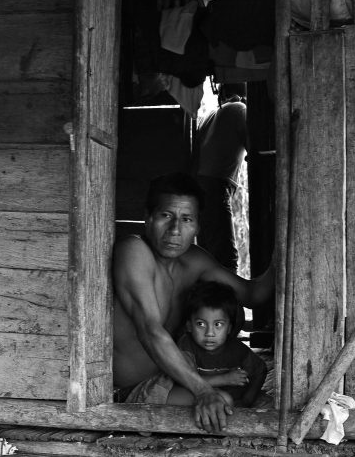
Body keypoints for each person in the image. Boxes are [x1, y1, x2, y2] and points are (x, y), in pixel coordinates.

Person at [113, 173, 274, 433]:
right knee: (227, 405)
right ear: (148, 217)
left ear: (197, 226)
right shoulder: (133, 251)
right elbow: (150, 330)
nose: (175, 230)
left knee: (250, 397)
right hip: (136, 392)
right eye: (166, 216)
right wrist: (203, 390)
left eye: (186, 219)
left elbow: (253, 295)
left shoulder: (194, 260)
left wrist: (282, 251)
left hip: (176, 381)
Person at [166, 281, 268, 408]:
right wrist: (225, 379)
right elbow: (184, 381)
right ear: (189, 326)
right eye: (200, 324)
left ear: (229, 328)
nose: (209, 333)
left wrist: (247, 400)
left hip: (232, 404)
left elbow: (260, 370)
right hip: (197, 399)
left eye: (218, 324)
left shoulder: (236, 349)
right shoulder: (186, 346)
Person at [194, 83, 248, 271]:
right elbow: (254, 147)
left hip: (199, 187)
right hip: (215, 186)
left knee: (208, 253)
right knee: (226, 257)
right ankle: (228, 299)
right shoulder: (240, 109)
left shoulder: (211, 114)